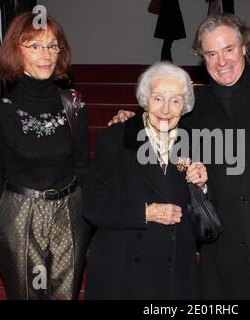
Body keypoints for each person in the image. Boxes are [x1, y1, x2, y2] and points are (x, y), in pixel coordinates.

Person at [112, 15, 250, 299]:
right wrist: (129, 123)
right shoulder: (195, 107)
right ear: (203, 58)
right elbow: (159, 128)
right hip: (224, 260)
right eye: (211, 53)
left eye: (228, 49)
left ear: (244, 48)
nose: (221, 61)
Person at [0, 12, 90, 300]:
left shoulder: (74, 104)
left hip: (70, 212)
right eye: (35, 46)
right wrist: (13, 213)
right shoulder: (0, 113)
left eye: (53, 46)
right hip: (22, 213)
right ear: (16, 51)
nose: (46, 55)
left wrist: (83, 210)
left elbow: (82, 164)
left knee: (65, 294)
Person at [82, 62, 208, 299]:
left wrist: (202, 185)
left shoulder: (197, 140)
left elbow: (208, 215)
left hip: (175, 272)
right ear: (145, 98)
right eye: (158, 98)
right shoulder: (115, 137)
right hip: (122, 268)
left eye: (175, 101)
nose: (166, 109)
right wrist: (145, 213)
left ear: (186, 105)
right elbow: (93, 206)